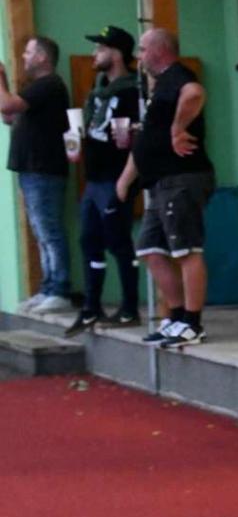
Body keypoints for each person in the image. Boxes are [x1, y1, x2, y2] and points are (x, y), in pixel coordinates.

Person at [115, 28, 215, 348]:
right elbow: (146, 140)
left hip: (182, 177)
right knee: (150, 248)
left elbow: (195, 93)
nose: (139, 56)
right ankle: (176, 315)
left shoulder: (178, 76)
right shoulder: (158, 87)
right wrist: (125, 179)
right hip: (159, 182)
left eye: (143, 50)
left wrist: (177, 128)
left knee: (186, 249)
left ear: (159, 50)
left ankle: (193, 323)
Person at [65, 26, 142, 336]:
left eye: (100, 48)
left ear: (117, 53)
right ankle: (91, 307)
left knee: (118, 241)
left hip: (117, 176)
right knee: (89, 240)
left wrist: (130, 136)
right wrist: (75, 141)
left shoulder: (133, 90)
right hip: (94, 178)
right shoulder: (98, 89)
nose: (94, 54)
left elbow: (141, 132)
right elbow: (88, 129)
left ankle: (129, 308)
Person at [0, 35, 73, 314]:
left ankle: (60, 290)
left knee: (49, 230)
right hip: (32, 170)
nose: (24, 57)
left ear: (43, 57)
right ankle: (47, 288)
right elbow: (9, 115)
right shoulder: (37, 89)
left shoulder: (49, 85)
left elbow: (7, 106)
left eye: (29, 52)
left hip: (44, 170)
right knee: (41, 231)